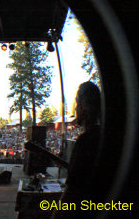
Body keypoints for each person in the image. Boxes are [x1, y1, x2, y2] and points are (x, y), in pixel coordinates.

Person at [53, 81, 101, 218]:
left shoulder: (86, 141)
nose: (76, 109)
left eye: (77, 103)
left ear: (85, 106)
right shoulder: (103, 136)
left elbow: (71, 193)